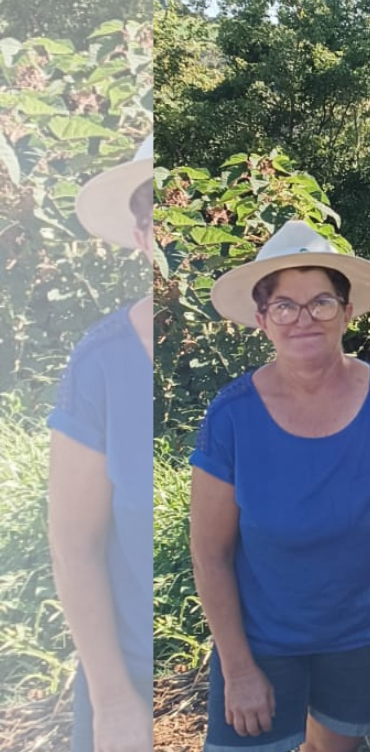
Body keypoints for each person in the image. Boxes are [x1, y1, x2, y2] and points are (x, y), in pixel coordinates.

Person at [189, 220, 370, 752]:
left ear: (347, 311)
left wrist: (350, 534)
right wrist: (238, 670)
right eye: (285, 305)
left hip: (364, 634)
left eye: (322, 302)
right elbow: (210, 553)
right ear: (262, 319)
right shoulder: (231, 417)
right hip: (262, 640)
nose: (304, 318)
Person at [47, 135, 154, 752]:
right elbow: (74, 543)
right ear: (140, 239)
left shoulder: (256, 355)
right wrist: (113, 699)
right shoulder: (102, 364)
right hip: (132, 672)